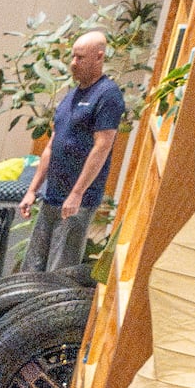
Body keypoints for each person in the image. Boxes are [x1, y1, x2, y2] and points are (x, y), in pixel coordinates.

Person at [27, 32, 126, 272]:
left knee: (59, 270)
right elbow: (52, 144)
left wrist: (77, 193)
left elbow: (102, 146)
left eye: (80, 58)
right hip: (52, 195)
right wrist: (32, 190)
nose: (73, 63)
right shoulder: (71, 96)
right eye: (73, 56)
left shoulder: (107, 95)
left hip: (77, 201)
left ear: (99, 57)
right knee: (32, 266)